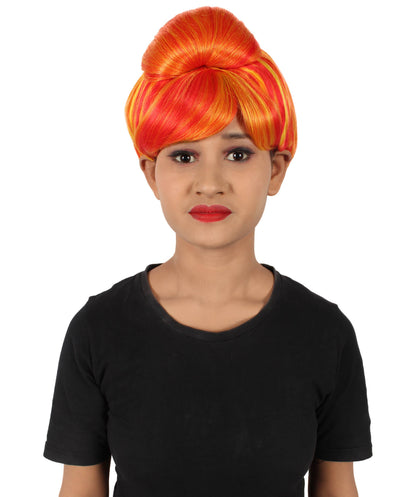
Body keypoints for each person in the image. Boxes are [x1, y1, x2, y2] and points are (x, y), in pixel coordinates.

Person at [43, 6, 373, 497]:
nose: (210, 183)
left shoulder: (325, 334)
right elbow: (79, 489)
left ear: (276, 169)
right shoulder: (98, 330)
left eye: (237, 153)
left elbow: (337, 488)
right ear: (151, 174)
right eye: (184, 155)